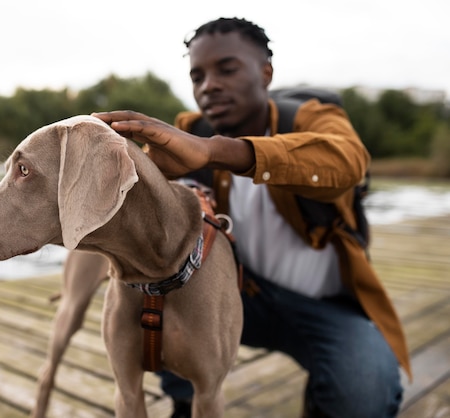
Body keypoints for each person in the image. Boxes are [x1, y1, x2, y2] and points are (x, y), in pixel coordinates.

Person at [93, 17, 410, 418]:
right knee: (159, 296)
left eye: (227, 69)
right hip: (238, 293)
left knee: (365, 394)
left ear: (266, 73)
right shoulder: (189, 130)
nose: (209, 85)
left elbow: (348, 162)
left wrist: (214, 152)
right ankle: (184, 397)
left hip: (326, 305)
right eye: (197, 75)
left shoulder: (313, 117)